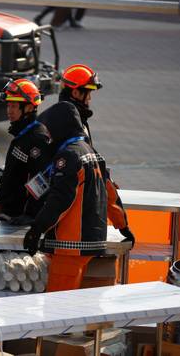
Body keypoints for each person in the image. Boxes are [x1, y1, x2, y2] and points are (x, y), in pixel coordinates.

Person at [23, 101, 107, 291]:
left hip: (71, 247)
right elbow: (110, 192)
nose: (48, 136)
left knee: (58, 309)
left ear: (60, 127)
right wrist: (123, 225)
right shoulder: (91, 151)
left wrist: (37, 228)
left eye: (50, 130)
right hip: (92, 242)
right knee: (76, 308)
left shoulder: (68, 156)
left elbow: (61, 199)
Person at [58, 63, 134, 246]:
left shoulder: (63, 119)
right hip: (73, 228)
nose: (90, 99)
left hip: (60, 222)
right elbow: (100, 177)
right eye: (88, 92)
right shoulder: (74, 127)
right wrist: (122, 225)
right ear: (76, 93)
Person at [0, 79, 51, 224]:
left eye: (14, 106)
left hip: (21, 217)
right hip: (11, 213)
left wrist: (30, 215)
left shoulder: (37, 138)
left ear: (28, 108)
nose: (9, 111)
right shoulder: (23, 135)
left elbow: (43, 180)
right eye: (8, 105)